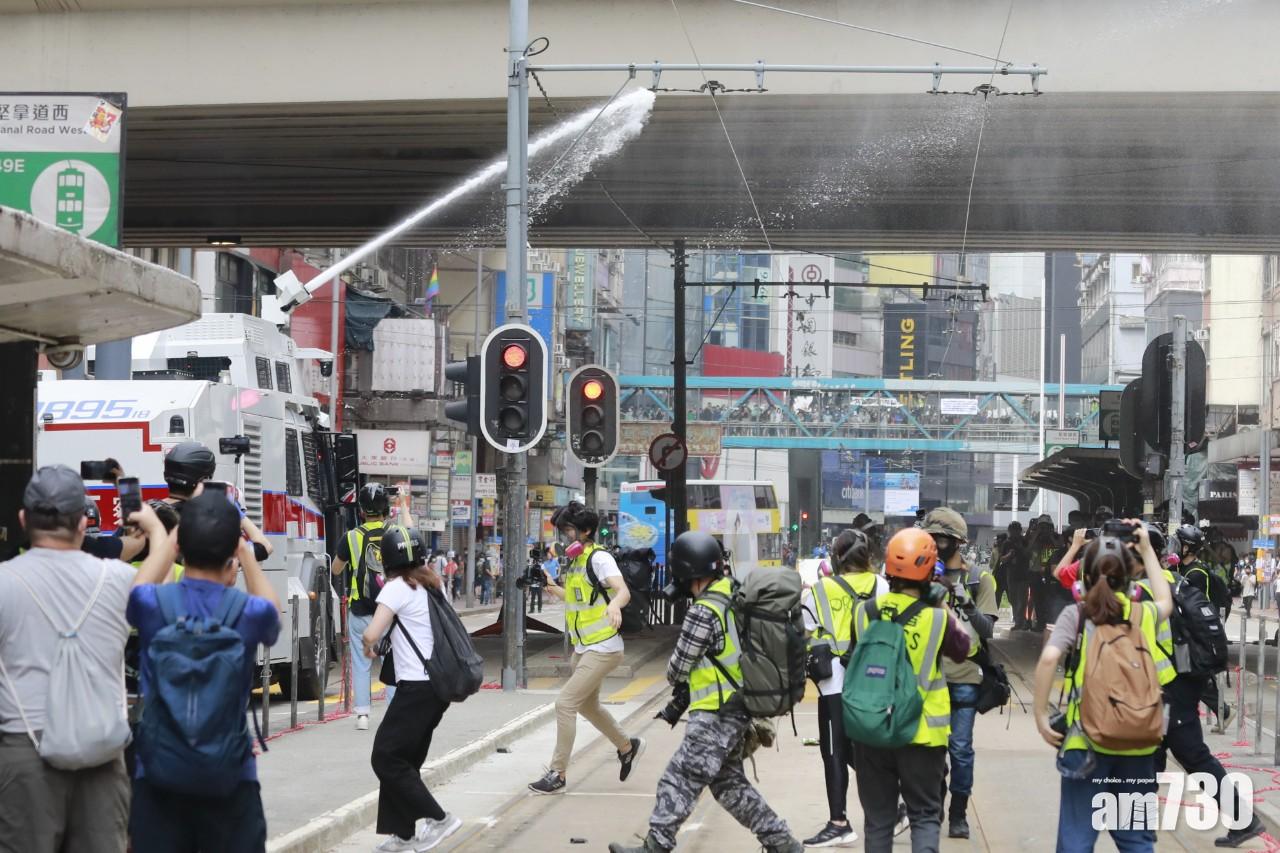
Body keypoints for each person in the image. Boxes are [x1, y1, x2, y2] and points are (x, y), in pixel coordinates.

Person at [0, 466, 171, 853]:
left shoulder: (4, 582)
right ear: (82, 523)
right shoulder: (116, 580)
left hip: (24, 751)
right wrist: (155, 528)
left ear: (24, 520)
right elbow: (158, 578)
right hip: (102, 753)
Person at [608, 531, 803, 853]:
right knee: (729, 786)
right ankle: (783, 844)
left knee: (678, 779)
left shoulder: (704, 610)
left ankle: (655, 846)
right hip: (736, 708)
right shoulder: (733, 593)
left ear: (685, 571)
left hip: (715, 712)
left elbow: (677, 669)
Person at [127, 491, 281, 853]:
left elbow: (135, 593)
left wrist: (170, 538)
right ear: (231, 550)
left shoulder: (155, 605)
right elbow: (272, 612)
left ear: (182, 545)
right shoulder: (247, 611)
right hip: (230, 778)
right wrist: (245, 551)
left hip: (158, 778)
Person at [1033, 524, 1173, 853]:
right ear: (1130, 580)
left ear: (1084, 576)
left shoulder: (1077, 615)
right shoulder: (1142, 613)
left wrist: (1041, 715)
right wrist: (1148, 550)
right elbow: (1166, 598)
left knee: (1077, 836)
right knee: (1136, 838)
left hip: (1086, 741)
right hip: (1139, 745)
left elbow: (1048, 659)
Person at [1137, 527, 1266, 848]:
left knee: (1190, 756)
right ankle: (1142, 828)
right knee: (1151, 757)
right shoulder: (1176, 582)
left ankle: (1245, 819)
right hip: (1179, 684)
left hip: (1167, 688)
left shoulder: (1143, 590)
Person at [850, 527, 973, 853]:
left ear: (888, 568)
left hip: (874, 730)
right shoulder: (936, 619)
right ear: (931, 571)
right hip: (922, 735)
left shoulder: (864, 613)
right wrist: (941, 603)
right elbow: (965, 649)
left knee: (877, 821)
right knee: (924, 816)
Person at [361, 526, 462, 852]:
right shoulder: (432, 583)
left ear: (387, 560)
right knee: (404, 760)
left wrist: (368, 644)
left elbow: (372, 633)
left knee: (385, 757)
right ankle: (403, 835)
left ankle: (439, 818)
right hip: (436, 686)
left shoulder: (396, 588)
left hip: (416, 687)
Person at [531, 502, 643, 794]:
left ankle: (558, 773)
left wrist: (616, 606)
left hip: (603, 647)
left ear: (586, 530)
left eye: (569, 530)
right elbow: (579, 598)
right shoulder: (578, 561)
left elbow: (623, 591)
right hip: (583, 647)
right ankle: (627, 746)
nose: (566, 535)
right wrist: (552, 586)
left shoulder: (600, 558)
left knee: (565, 704)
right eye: (564, 530)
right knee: (587, 705)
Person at [800, 527, 886, 847]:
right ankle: (896, 803)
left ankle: (839, 822)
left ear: (838, 557)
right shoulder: (882, 585)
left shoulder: (822, 590)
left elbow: (806, 628)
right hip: (873, 682)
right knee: (866, 749)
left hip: (834, 682)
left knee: (835, 751)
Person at [922, 507, 995, 840]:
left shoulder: (980, 578)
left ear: (959, 542)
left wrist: (965, 600)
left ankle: (958, 813)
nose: (938, 544)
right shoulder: (921, 575)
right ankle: (934, 804)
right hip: (929, 678)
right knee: (930, 751)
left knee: (961, 750)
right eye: (932, 538)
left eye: (944, 539)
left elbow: (988, 630)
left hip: (966, 676)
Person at [331, 483, 394, 731]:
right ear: (385, 509)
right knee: (392, 661)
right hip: (389, 610)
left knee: (360, 662)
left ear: (361, 511)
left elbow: (336, 569)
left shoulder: (351, 537)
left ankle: (363, 715)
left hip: (360, 611)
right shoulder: (395, 533)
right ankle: (392, 711)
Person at [1001, 522, 1032, 629]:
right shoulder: (1007, 543)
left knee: (1022, 599)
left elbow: (1029, 555)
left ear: (1020, 530)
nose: (1014, 532)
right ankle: (1018, 619)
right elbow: (1002, 559)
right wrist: (1009, 555)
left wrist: (1021, 548)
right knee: (1013, 599)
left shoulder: (1024, 541)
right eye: (1012, 530)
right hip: (1011, 574)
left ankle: (1020, 621)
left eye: (1016, 530)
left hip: (1024, 574)